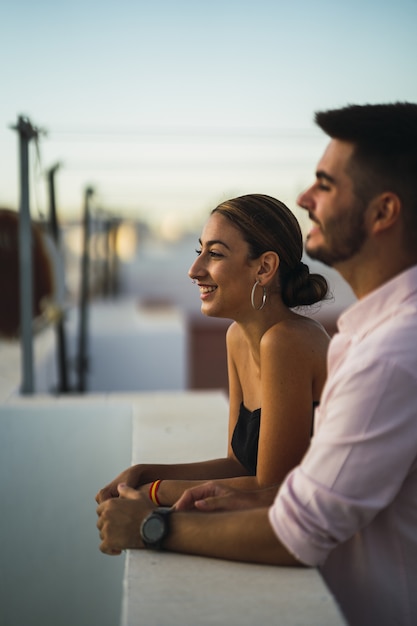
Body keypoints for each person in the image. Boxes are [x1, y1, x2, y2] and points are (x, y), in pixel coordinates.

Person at [97, 102, 417, 626]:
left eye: (326, 184)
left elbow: (288, 511)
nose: (304, 197)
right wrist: (147, 472)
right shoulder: (363, 336)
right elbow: (246, 467)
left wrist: (150, 516)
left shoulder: (375, 354)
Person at [96, 194, 330, 507]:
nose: (194, 270)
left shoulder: (287, 342)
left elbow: (270, 490)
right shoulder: (238, 337)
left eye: (215, 254)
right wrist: (143, 474)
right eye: (199, 250)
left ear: (264, 267)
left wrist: (155, 493)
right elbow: (238, 465)